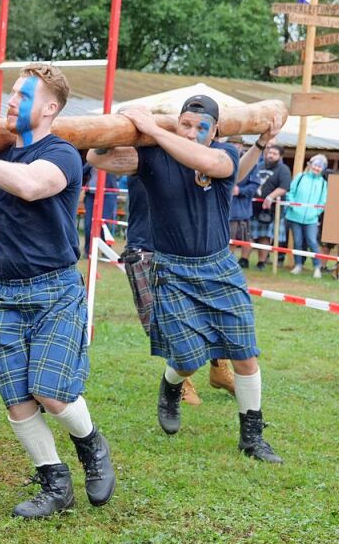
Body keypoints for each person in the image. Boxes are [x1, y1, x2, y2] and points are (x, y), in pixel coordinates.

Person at [0, 64, 116, 520]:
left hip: (55, 289)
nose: (11, 101)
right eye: (12, 93)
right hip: (5, 293)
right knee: (17, 400)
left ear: (50, 107)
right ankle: (54, 483)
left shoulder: (63, 154)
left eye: (23, 94)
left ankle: (91, 444)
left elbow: (32, 186)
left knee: (52, 392)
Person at [87, 95, 282, 463]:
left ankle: (252, 437)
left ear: (216, 132)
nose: (192, 133)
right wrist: (118, 131)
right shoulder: (152, 155)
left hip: (219, 266)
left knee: (245, 355)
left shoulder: (224, 155)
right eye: (185, 125)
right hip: (172, 268)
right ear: (176, 123)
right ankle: (170, 386)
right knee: (187, 358)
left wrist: (152, 129)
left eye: (200, 127)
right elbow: (97, 159)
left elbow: (206, 161)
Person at [121, 171, 236, 405]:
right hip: (146, 249)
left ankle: (219, 368)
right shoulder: (144, 156)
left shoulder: (191, 157)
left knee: (212, 311)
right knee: (164, 323)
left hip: (185, 249)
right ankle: (180, 381)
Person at [246, 144, 291, 270]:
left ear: (280, 156)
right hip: (254, 208)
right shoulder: (258, 166)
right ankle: (244, 260)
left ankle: (262, 262)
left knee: (265, 236)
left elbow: (284, 187)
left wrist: (270, 197)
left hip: (271, 211)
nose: (271, 155)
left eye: (274, 154)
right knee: (248, 235)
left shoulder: (283, 170)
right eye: (269, 153)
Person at [285, 154, 329, 278]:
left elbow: (322, 201)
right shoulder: (300, 177)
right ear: (310, 165)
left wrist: (315, 213)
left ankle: (317, 267)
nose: (317, 168)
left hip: (311, 219)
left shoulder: (323, 183)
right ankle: (298, 265)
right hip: (295, 216)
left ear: (323, 169)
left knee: (312, 241)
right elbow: (290, 193)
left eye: (320, 166)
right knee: (297, 242)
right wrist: (294, 206)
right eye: (315, 165)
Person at [229, 142, 260, 268]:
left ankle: (244, 260)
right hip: (224, 207)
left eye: (238, 144)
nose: (236, 147)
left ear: (242, 146)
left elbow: (254, 184)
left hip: (242, 208)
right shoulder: (223, 157)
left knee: (244, 237)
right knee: (227, 238)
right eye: (233, 144)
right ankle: (228, 262)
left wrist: (239, 191)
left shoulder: (251, 163)